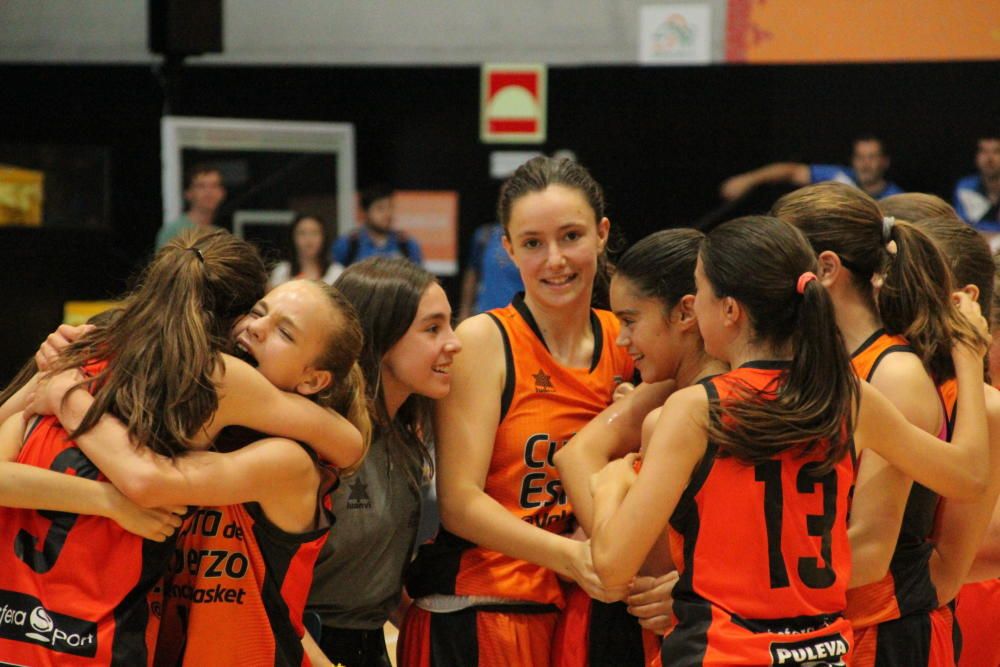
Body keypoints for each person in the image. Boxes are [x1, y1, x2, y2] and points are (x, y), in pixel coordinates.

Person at [589, 215, 990, 667]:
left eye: (699, 291)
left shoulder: (697, 410)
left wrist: (608, 488)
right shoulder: (848, 397)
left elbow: (611, 568)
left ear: (729, 309)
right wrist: (971, 358)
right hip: (824, 654)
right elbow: (971, 477)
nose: (694, 306)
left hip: (722, 653)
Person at [0, 230, 364, 665]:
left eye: (284, 331)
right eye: (256, 312)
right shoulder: (200, 383)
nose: (255, 328)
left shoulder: (260, 428)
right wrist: (108, 496)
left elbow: (349, 443)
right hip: (83, 641)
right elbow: (145, 481)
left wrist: (65, 391)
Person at [399, 156, 635, 666]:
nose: (555, 259)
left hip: (581, 611)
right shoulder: (485, 341)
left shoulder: (627, 339)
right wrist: (576, 558)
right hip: (484, 607)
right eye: (533, 243)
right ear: (508, 249)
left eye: (571, 236)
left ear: (601, 233)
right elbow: (460, 502)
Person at [772, 184, 990, 667]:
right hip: (816, 618)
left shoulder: (893, 372)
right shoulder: (813, 360)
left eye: (780, 266)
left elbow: (871, 549)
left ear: (826, 269)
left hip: (878, 626)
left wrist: (730, 580)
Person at [553, 228, 728, 667]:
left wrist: (687, 588)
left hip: (716, 635)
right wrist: (635, 573)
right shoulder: (669, 390)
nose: (620, 339)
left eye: (630, 320)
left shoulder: (693, 408)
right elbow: (572, 455)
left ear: (686, 311)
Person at [301, 257, 462, 667]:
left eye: (450, 324)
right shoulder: (320, 440)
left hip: (367, 646)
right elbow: (264, 589)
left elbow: (377, 583)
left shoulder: (404, 443)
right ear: (380, 338)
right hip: (301, 644)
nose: (454, 342)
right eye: (432, 328)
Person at [720, 135, 904, 203]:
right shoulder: (838, 177)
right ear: (852, 160)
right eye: (860, 157)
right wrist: (748, 180)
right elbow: (790, 171)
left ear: (884, 162)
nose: (865, 163)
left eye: (872, 157)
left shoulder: (897, 198)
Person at [332, 184, 423, 267]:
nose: (387, 214)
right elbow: (334, 278)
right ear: (365, 212)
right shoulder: (348, 243)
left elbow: (420, 281)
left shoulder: (406, 243)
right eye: (380, 208)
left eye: (390, 207)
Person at [458, 222, 524, 320]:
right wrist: (465, 311)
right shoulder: (485, 236)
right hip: (484, 315)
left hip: (519, 317)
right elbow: (472, 274)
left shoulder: (528, 238)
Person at [155, 164, 226, 250]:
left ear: (222, 192)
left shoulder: (221, 234)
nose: (209, 192)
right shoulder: (175, 231)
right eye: (201, 186)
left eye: (214, 185)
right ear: (188, 193)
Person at [269, 213, 343, 288]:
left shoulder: (336, 272)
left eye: (314, 233)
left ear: (324, 237)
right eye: (302, 233)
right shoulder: (282, 272)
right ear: (292, 237)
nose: (308, 239)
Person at [953, 135, 1000, 231]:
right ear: (976, 157)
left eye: (996, 152)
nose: (990, 158)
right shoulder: (965, 187)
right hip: (977, 243)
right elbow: (963, 228)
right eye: (984, 151)